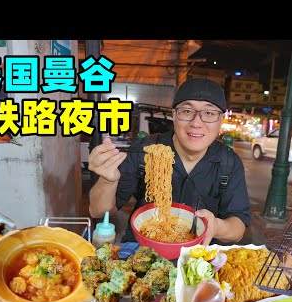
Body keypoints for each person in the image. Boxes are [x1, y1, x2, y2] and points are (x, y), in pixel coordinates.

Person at [87, 78, 251, 246]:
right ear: (174, 115)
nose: (196, 123)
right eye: (187, 111)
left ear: (221, 120)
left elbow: (238, 227)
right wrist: (107, 180)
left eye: (209, 113)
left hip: (196, 258)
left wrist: (216, 226)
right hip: (142, 251)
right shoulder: (146, 150)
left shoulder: (229, 163)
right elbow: (98, 210)